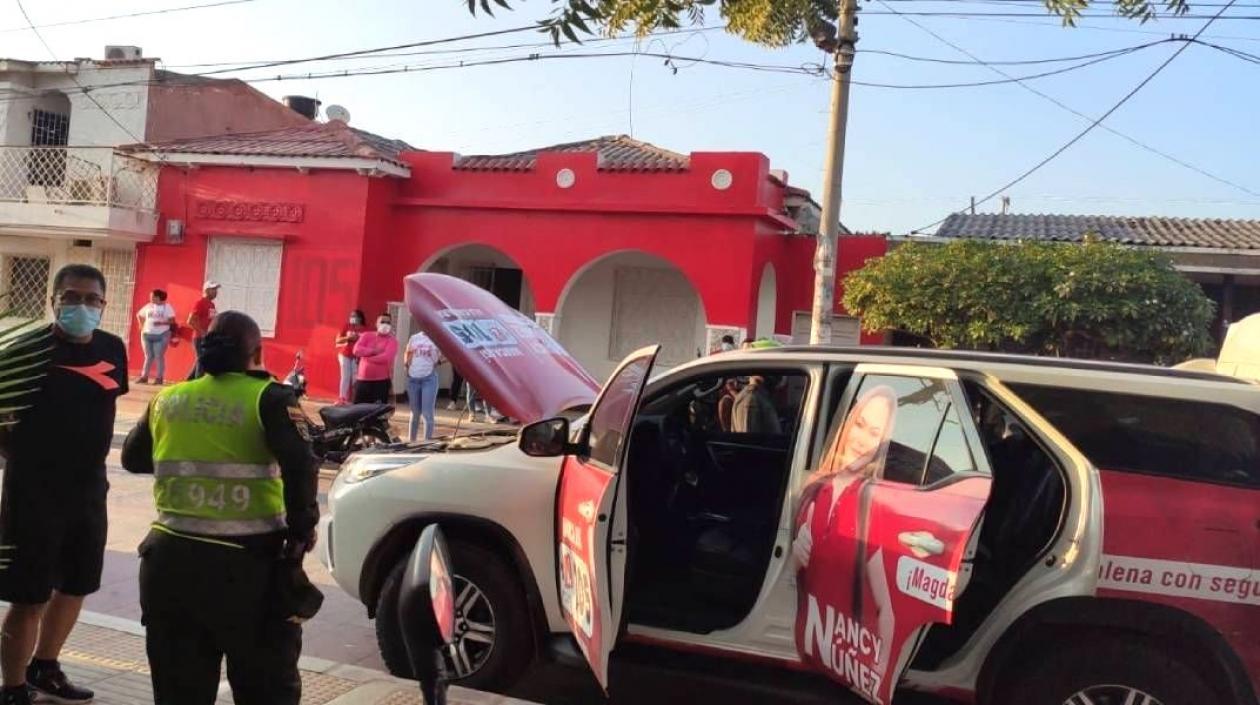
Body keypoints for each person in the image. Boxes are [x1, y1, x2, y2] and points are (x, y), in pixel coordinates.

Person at [120, 311, 320, 705]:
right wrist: (300, 534)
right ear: (256, 353)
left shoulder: (169, 398)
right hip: (248, 571)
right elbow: (302, 465)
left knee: (179, 692)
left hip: (167, 567)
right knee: (266, 690)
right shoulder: (270, 396)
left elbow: (133, 458)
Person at [0, 264, 127, 705]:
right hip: (33, 494)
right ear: (53, 301)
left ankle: (45, 666)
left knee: (76, 585)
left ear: (103, 305)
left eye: (92, 299)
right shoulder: (27, 350)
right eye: (72, 297)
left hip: (90, 490)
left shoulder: (114, 348)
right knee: (28, 595)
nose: (82, 306)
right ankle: (13, 688)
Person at [792, 386, 898, 700]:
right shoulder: (814, 487)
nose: (861, 439)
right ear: (848, 423)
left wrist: (877, 676)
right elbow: (794, 577)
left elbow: (886, 611)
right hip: (807, 650)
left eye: (874, 433)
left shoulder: (873, 503)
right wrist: (798, 556)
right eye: (860, 424)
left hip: (846, 663)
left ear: (882, 444)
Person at [404, 328, 442, 441]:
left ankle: (427, 442)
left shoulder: (438, 338)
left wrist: (438, 362)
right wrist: (406, 364)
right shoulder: (415, 337)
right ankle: (411, 442)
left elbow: (450, 354)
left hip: (428, 379)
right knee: (415, 413)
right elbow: (408, 352)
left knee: (427, 413)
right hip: (413, 378)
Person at [352, 313, 399, 404]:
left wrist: (367, 359)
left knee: (378, 413)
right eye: (382, 322)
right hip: (362, 381)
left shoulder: (392, 341)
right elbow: (356, 350)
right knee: (358, 412)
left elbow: (386, 357)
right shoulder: (366, 335)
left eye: (388, 322)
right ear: (376, 324)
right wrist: (374, 351)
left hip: (381, 382)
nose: (385, 324)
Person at [136, 288, 176, 384]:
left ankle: (159, 378)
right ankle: (144, 376)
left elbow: (172, 321)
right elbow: (139, 315)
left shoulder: (167, 307)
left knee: (159, 356)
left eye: (153, 296)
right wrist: (141, 325)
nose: (151, 298)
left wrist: (161, 323)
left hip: (162, 335)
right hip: (147, 334)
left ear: (159, 297)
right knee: (148, 356)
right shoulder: (149, 306)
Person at [186, 280, 220, 380]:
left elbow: (211, 320)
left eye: (216, 289)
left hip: (207, 337)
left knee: (200, 360)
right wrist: (202, 332)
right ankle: (197, 383)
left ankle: (188, 382)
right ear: (207, 290)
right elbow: (190, 321)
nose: (216, 292)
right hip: (199, 338)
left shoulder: (211, 305)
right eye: (213, 289)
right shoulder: (200, 303)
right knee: (202, 361)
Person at [334, 309, 366, 404]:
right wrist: (349, 338)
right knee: (345, 377)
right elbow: (338, 340)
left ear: (360, 318)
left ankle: (355, 399)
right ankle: (342, 398)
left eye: (354, 316)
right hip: (345, 354)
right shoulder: (346, 326)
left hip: (357, 357)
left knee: (355, 378)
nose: (352, 318)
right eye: (351, 316)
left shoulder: (365, 329)